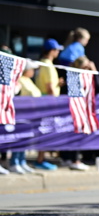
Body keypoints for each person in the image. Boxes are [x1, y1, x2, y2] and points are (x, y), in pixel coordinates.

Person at [33, 39, 63, 170]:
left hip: (42, 101)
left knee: (43, 131)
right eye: (57, 50)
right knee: (45, 131)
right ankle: (40, 160)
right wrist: (54, 104)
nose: (58, 52)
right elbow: (49, 88)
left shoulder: (42, 63)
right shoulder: (48, 65)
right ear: (51, 51)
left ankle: (41, 159)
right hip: (48, 103)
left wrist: (57, 85)